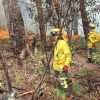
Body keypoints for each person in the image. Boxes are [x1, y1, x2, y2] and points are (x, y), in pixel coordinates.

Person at [51, 28, 72, 93]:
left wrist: (66, 65)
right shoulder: (56, 43)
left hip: (63, 66)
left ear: (59, 35)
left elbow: (68, 55)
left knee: (61, 79)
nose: (54, 37)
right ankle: (67, 80)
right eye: (53, 35)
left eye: (55, 35)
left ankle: (66, 90)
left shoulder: (63, 43)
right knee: (56, 75)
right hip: (57, 65)